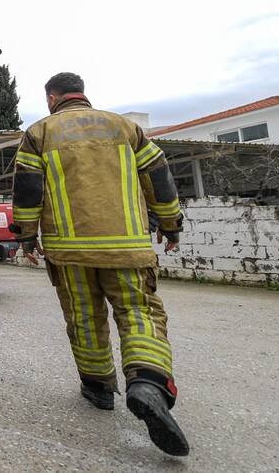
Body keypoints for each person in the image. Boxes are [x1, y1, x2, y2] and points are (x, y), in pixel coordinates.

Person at [10, 72, 189, 456]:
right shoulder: (125, 127)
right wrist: (171, 225)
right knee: (139, 311)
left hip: (68, 249)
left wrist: (26, 236)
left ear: (52, 98)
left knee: (83, 315)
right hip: (128, 247)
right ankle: (148, 382)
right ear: (83, 94)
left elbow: (27, 188)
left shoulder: (40, 132)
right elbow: (159, 178)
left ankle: (98, 388)